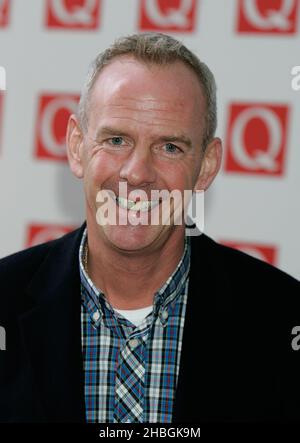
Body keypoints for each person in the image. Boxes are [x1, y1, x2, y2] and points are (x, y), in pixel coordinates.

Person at [0, 33, 299, 424]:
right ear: (76, 147)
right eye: (117, 139)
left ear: (207, 166)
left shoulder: (281, 318)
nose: (137, 174)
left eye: (170, 147)